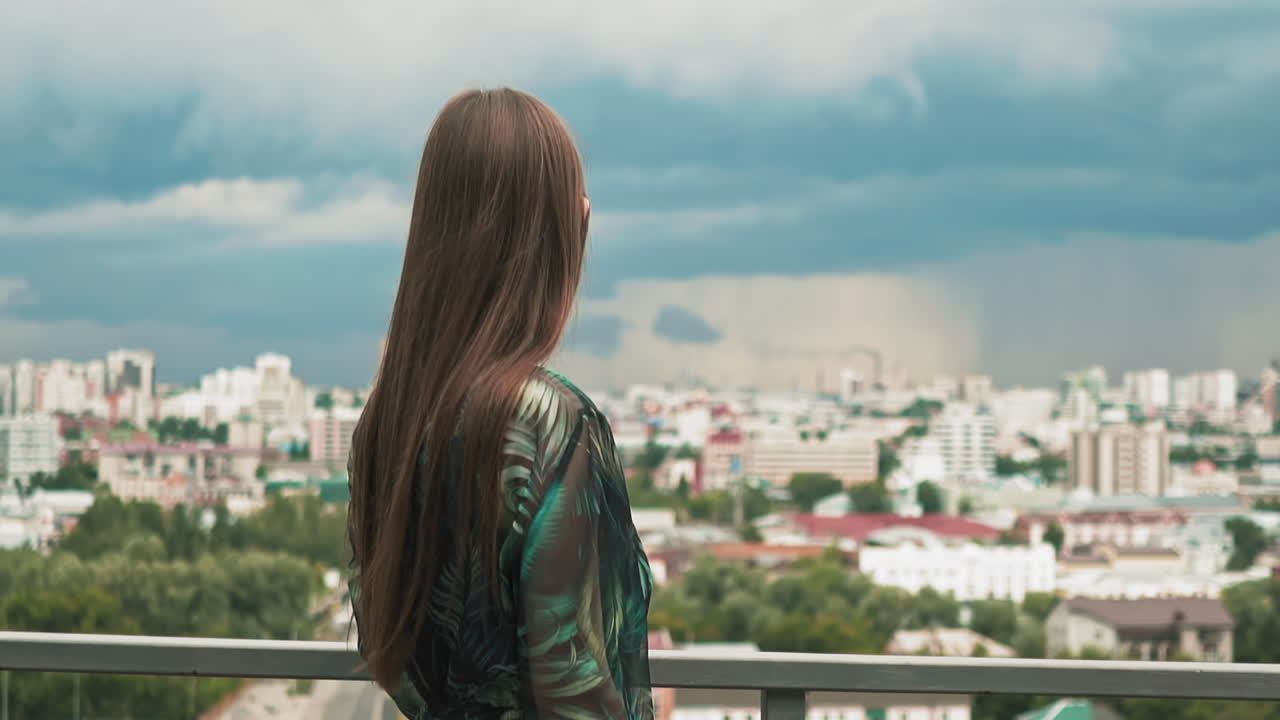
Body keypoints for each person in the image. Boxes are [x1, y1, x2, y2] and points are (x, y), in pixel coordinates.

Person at [346, 88, 654, 720]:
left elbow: (393, 644)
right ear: (551, 235)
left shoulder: (389, 419)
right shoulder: (551, 423)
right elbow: (571, 682)